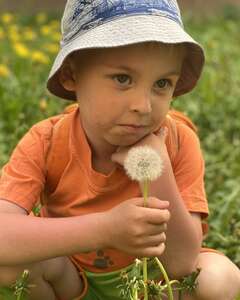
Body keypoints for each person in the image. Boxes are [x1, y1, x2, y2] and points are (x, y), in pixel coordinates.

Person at [0, 1, 239, 299]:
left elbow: (181, 263)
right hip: (71, 282)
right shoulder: (46, 142)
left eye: (162, 83)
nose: (144, 106)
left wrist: (158, 167)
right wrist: (105, 229)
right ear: (71, 75)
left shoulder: (178, 141)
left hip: (153, 284)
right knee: (11, 267)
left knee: (220, 278)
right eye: (122, 79)